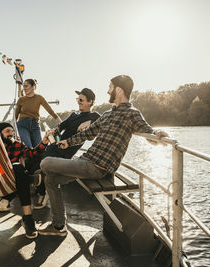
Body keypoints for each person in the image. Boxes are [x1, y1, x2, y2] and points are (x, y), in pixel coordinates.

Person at [38, 75, 169, 236]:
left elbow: (147, 130)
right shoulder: (107, 114)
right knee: (50, 179)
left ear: (119, 90)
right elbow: (87, 133)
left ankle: (53, 216)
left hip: (97, 167)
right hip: (84, 162)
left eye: (110, 87)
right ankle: (58, 227)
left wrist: (158, 134)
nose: (108, 91)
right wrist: (67, 142)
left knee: (45, 163)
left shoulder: (131, 114)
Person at [33, 88, 100, 209]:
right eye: (78, 99)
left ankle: (42, 191)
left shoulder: (94, 117)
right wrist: (53, 131)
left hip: (67, 152)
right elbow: (61, 126)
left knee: (44, 166)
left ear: (90, 102)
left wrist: (90, 121)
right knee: (39, 159)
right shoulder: (73, 115)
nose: (78, 102)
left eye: (81, 100)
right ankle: (39, 181)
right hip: (56, 145)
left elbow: (104, 120)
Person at [0, 122, 49, 239]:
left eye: (12, 131)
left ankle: (28, 218)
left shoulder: (18, 145)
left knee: (19, 167)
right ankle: (31, 180)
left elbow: (33, 153)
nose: (11, 134)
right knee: (20, 171)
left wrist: (44, 142)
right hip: (0, 179)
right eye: (7, 131)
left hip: (16, 177)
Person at [15, 79, 62, 148]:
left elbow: (50, 111)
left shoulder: (39, 98)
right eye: (23, 86)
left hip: (35, 125)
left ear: (33, 86)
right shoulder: (21, 99)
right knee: (28, 147)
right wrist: (13, 129)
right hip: (22, 125)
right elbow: (15, 116)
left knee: (40, 148)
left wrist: (61, 122)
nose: (24, 88)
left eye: (26, 86)